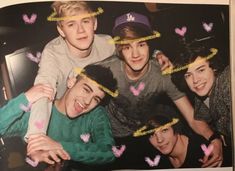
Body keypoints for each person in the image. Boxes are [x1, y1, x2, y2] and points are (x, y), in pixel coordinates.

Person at [94, 12, 223, 169]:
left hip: (147, 133)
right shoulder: (108, 70)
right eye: (128, 47)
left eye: (141, 44)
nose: (135, 54)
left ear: (150, 45)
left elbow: (192, 118)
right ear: (119, 49)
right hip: (112, 134)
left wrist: (214, 139)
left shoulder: (163, 75)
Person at [26, 1, 171, 140]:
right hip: (61, 118)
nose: (80, 30)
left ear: (94, 23)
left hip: (98, 116)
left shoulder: (106, 43)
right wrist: (36, 136)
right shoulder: (53, 52)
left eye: (85, 21)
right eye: (71, 24)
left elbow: (131, 46)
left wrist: (156, 53)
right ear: (61, 30)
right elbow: (42, 90)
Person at [0, 65, 118, 168]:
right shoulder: (37, 112)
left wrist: (60, 146)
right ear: (71, 82)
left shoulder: (95, 114)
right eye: (86, 90)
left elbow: (109, 152)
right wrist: (26, 98)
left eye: (96, 99)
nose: (87, 101)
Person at [171, 42, 232, 166]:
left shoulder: (226, 81)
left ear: (214, 67)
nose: (195, 80)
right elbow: (197, 121)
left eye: (201, 70)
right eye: (188, 75)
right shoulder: (200, 100)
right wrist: (216, 140)